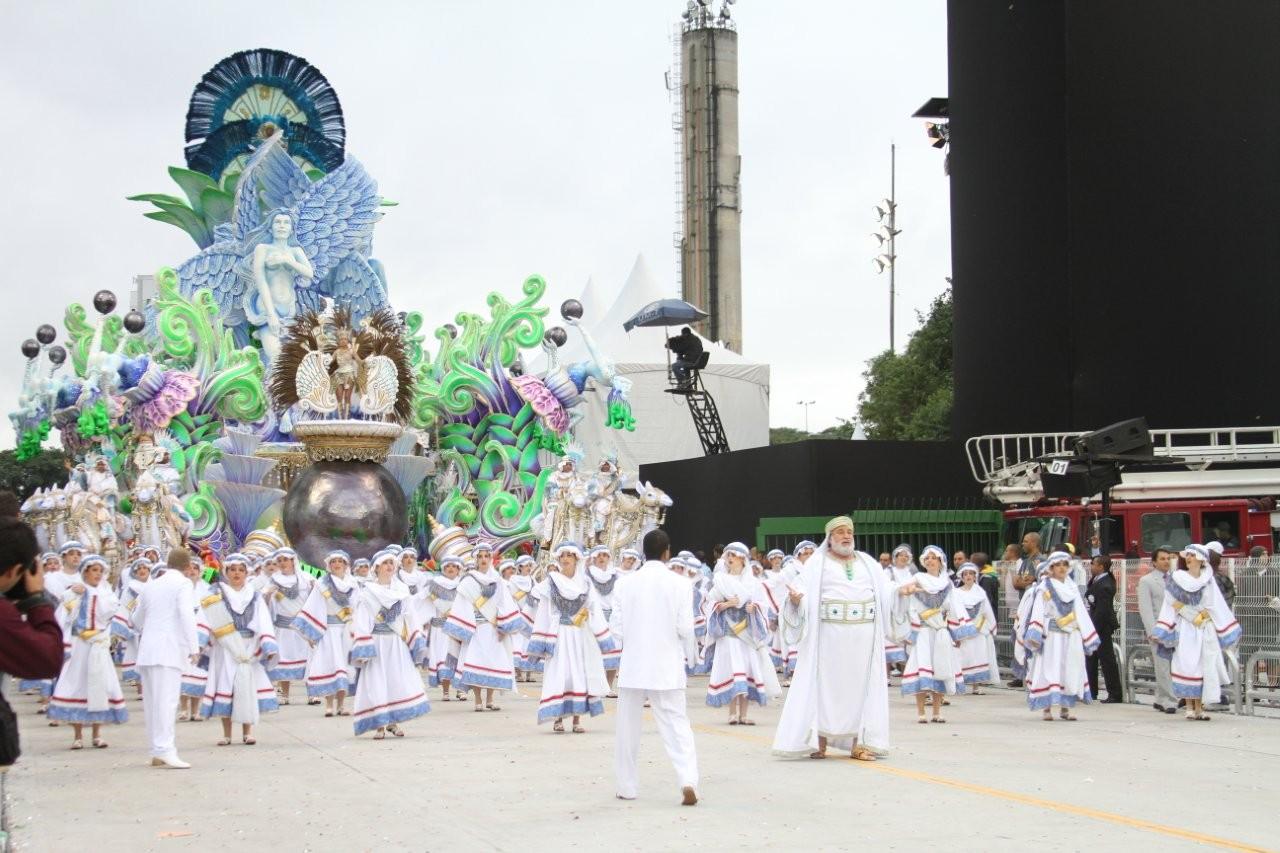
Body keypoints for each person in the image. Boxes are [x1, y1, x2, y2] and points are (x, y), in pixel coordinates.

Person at [772, 517, 893, 762]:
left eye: (849, 531)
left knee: (862, 690)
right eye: (840, 532)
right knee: (825, 688)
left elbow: (886, 592)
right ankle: (820, 742)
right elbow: (800, 592)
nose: (846, 536)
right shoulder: (817, 564)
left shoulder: (868, 563)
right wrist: (796, 601)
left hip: (863, 638)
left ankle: (859, 744)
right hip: (828, 638)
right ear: (830, 537)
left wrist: (901, 593)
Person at [610, 528, 700, 806]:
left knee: (627, 728)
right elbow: (685, 627)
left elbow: (616, 629)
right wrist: (692, 655)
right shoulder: (681, 584)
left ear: (642, 552)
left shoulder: (624, 584)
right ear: (667, 552)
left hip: (634, 664)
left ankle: (627, 786)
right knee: (677, 724)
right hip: (666, 664)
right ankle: (687, 779)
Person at [528, 543, 614, 733]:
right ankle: (558, 719)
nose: (565, 559)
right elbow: (543, 612)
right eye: (563, 556)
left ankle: (576, 720)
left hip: (580, 635)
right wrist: (540, 641)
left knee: (580, 675)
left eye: (569, 555)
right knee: (560, 675)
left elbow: (594, 610)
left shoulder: (586, 583)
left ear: (576, 559)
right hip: (559, 635)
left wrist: (602, 636)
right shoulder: (551, 582)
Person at [47, 554, 128, 748]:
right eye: (94, 570)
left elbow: (112, 613)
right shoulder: (73, 592)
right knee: (78, 684)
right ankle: (77, 736)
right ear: (85, 572)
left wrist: (108, 635)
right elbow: (62, 617)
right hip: (79, 645)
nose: (97, 574)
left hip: (98, 644)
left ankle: (97, 734)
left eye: (100, 571)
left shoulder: (106, 593)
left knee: (99, 685)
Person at [1152, 544, 1241, 721]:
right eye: (1188, 555)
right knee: (1187, 664)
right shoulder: (1177, 578)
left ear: (1201, 559)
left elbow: (1217, 604)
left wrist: (1205, 616)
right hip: (1186, 626)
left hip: (1204, 627)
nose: (1189, 558)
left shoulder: (1209, 580)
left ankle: (1200, 708)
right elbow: (1171, 602)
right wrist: (1190, 615)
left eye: (1193, 555)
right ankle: (1190, 706)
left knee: (1203, 665)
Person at [198, 553, 279, 745]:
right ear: (226, 572)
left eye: (241, 570)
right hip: (225, 647)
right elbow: (204, 619)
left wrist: (268, 643)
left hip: (248, 647)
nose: (237, 573)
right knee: (226, 686)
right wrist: (199, 643)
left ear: (246, 572)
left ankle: (247, 732)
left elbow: (263, 620)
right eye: (232, 570)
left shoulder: (254, 595)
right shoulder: (215, 594)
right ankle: (226, 734)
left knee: (246, 688)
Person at [349, 548, 430, 738]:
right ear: (376, 568)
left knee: (395, 680)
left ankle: (393, 722)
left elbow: (410, 617)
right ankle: (379, 724)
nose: (389, 566)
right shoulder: (367, 593)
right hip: (376, 643)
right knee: (377, 681)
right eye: (385, 563)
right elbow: (361, 620)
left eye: (391, 563)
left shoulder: (401, 591)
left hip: (396, 642)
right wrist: (364, 644)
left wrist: (416, 638)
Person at [132, 547, 201, 769]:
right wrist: (194, 646)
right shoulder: (182, 584)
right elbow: (186, 614)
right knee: (167, 702)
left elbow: (136, 619)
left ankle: (156, 750)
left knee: (153, 703)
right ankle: (165, 749)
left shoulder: (151, 585)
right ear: (188, 566)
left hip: (147, 650)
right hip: (167, 650)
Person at [894, 546, 976, 723]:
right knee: (922, 667)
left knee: (941, 668)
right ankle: (921, 712)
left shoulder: (947, 583)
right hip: (923, 630)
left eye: (934, 557)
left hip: (940, 630)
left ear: (940, 561)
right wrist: (907, 597)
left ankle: (937, 712)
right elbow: (903, 596)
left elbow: (954, 607)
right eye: (928, 557)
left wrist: (957, 632)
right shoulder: (918, 578)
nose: (930, 560)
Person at [444, 541, 528, 712]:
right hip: (475, 628)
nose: (483, 559)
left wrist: (504, 625)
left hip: (493, 628)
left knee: (493, 663)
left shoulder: (498, 581)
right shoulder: (468, 581)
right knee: (475, 661)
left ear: (491, 558)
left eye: (486, 556)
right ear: (475, 559)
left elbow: (505, 604)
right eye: (480, 556)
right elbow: (463, 604)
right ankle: (478, 699)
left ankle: (490, 699)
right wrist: (466, 626)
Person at [703, 542, 780, 724]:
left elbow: (763, 605)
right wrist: (727, 604)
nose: (730, 559)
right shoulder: (720, 580)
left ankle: (743, 715)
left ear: (743, 560)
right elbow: (709, 603)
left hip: (746, 631)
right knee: (732, 669)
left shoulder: (753, 583)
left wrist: (754, 607)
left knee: (745, 669)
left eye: (734, 556)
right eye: (728, 555)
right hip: (728, 633)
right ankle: (731, 713)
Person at [1023, 551, 1100, 721]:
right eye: (1058, 565)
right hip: (1052, 636)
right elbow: (1039, 610)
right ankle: (1047, 707)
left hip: (1071, 636)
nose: (1062, 568)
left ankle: (1067, 707)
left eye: (1065, 565)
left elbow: (1080, 612)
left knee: (1070, 668)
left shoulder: (1072, 587)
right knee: (1050, 668)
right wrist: (1036, 633)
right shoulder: (1045, 587)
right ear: (1051, 568)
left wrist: (1087, 635)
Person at [293, 550, 357, 716]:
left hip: (347, 631)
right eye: (334, 561)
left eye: (340, 561)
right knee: (330, 665)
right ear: (329, 564)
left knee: (344, 667)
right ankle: (329, 705)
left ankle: (342, 705)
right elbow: (314, 606)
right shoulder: (323, 584)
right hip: (328, 630)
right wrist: (312, 633)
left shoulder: (354, 584)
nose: (337, 564)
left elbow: (359, 607)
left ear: (346, 564)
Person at [262, 547, 314, 705]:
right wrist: (268, 595)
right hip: (283, 627)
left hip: (302, 627)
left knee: (309, 661)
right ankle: (284, 695)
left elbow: (315, 602)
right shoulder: (273, 581)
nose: (283, 563)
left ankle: (312, 694)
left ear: (293, 560)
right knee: (283, 659)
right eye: (280, 560)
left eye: (286, 559)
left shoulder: (306, 579)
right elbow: (264, 605)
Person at [1138, 547, 1178, 713]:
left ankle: (1161, 698)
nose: (1166, 561)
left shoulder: (1176, 579)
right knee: (1162, 666)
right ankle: (1169, 700)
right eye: (1162, 559)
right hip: (1159, 629)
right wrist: (1153, 631)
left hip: (1176, 628)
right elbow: (1145, 609)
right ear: (1154, 562)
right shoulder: (1146, 581)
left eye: (1168, 558)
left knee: (1175, 665)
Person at [955, 563, 1000, 694]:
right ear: (961, 577)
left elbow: (987, 611)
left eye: (971, 573)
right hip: (963, 629)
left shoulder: (980, 592)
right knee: (963, 657)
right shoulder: (956, 593)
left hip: (979, 628)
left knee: (978, 656)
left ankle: (976, 686)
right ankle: (960, 685)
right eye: (965, 574)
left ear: (975, 576)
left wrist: (990, 626)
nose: (968, 576)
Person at [1085, 555, 1124, 703]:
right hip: (1094, 625)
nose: (1091, 566)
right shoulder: (1098, 580)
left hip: (1101, 627)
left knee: (1107, 660)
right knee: (1091, 658)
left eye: (1093, 564)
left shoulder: (1106, 584)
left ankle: (1115, 693)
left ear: (1101, 567)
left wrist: (1093, 629)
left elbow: (1102, 610)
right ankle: (1091, 691)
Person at [1008, 533, 1044, 687]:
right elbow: (1017, 583)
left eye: (1026, 541)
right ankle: (1022, 673)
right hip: (1024, 603)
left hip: (1035, 608)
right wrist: (1026, 582)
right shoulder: (1024, 562)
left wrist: (1029, 582)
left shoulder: (1040, 561)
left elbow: (1038, 584)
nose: (1022, 544)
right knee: (1020, 638)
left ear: (1034, 542)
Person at [425, 556, 463, 698]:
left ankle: (460, 690)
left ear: (458, 569)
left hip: (458, 626)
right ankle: (446, 691)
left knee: (459, 658)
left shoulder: (463, 585)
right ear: (443, 569)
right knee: (444, 658)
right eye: (448, 566)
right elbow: (424, 603)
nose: (451, 569)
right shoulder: (434, 585)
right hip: (441, 628)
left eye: (454, 566)